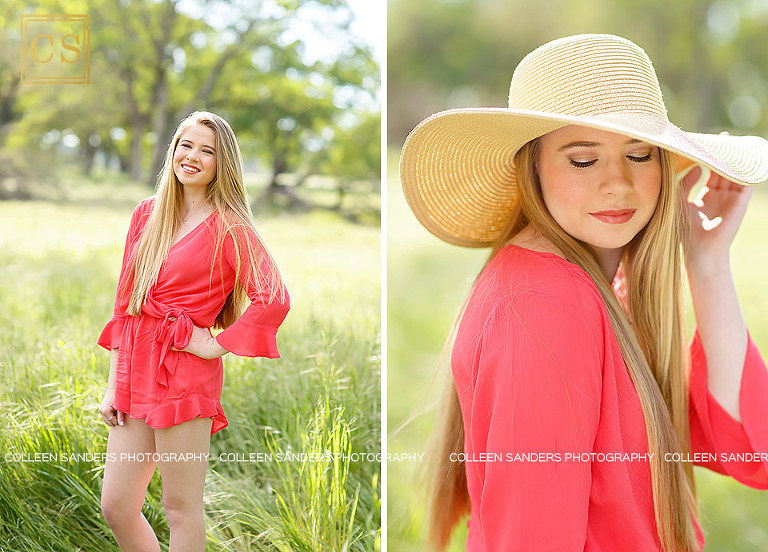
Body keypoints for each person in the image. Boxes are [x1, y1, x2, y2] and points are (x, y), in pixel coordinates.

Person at [399, 34, 768, 551]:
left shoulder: (601, 290)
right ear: (532, 167)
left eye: (639, 154)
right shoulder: (546, 303)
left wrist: (707, 264)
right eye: (582, 160)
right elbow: (534, 537)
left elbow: (752, 452)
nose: (617, 183)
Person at [97, 111, 289, 551]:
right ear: (174, 149)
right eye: (187, 145)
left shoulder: (231, 227)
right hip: (134, 373)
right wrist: (113, 385)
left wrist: (216, 344)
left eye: (208, 151)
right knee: (117, 504)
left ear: (223, 164)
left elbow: (274, 297)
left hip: (184, 375)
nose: (193, 157)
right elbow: (125, 305)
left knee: (180, 508)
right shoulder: (146, 214)